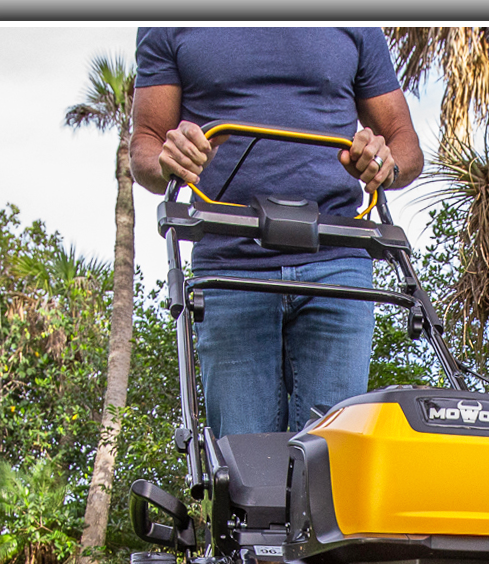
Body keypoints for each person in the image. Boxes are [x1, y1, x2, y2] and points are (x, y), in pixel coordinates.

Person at [131, 27, 423, 436]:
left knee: (334, 457)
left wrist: (384, 163)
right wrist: (168, 158)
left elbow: (405, 144)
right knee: (240, 462)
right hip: (230, 262)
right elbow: (144, 145)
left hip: (337, 259)